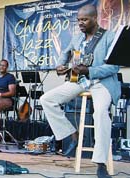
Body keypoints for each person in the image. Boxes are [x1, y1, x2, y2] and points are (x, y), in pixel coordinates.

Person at [40, 4, 119, 178]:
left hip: (102, 83)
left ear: (95, 18)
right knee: (46, 99)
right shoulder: (77, 38)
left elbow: (114, 67)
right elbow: (65, 54)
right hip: (80, 82)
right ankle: (71, 134)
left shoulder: (109, 37)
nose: (81, 23)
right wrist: (60, 66)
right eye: (79, 20)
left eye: (84, 20)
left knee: (100, 114)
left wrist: (89, 71)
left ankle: (100, 163)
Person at [0, 59, 16, 141]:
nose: (1, 67)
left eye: (4, 65)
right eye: (0, 65)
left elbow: (12, 92)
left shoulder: (10, 77)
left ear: (7, 67)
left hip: (8, 100)